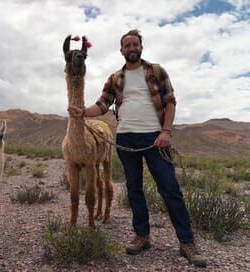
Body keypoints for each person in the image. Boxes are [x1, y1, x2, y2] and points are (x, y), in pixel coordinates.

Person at [67, 29, 206, 268]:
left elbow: (170, 101)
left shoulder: (156, 71)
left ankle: (187, 242)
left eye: (135, 44)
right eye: (127, 45)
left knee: (170, 188)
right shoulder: (115, 78)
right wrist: (82, 112)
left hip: (155, 138)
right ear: (121, 50)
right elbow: (102, 105)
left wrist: (166, 131)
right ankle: (142, 236)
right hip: (125, 138)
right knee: (134, 190)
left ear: (141, 47)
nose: (131, 48)